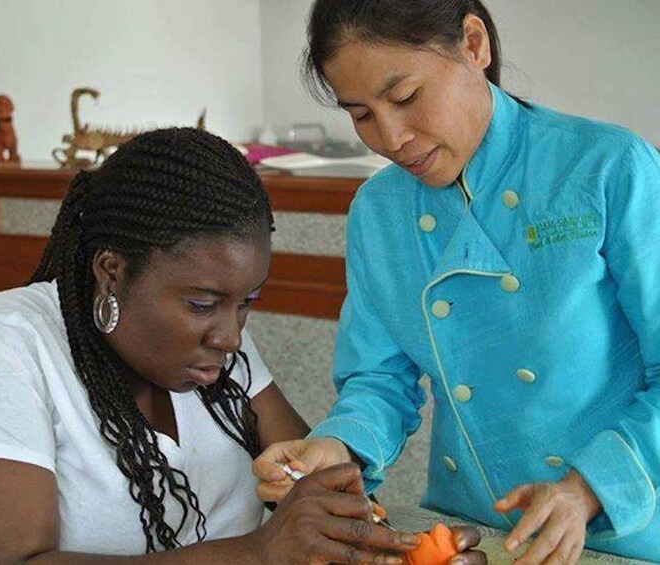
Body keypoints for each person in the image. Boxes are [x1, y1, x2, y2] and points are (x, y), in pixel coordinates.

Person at [0, 128, 485, 564]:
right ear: (112, 271)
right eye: (202, 304)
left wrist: (373, 543)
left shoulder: (212, 357)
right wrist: (256, 553)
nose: (231, 336)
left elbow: (315, 489)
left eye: (245, 302)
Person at [253, 1, 660, 564]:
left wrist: (588, 487)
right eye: (362, 114)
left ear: (474, 44)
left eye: (404, 98)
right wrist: (336, 447)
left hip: (624, 528)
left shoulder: (609, 169)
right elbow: (379, 379)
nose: (391, 138)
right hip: (467, 526)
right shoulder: (379, 210)